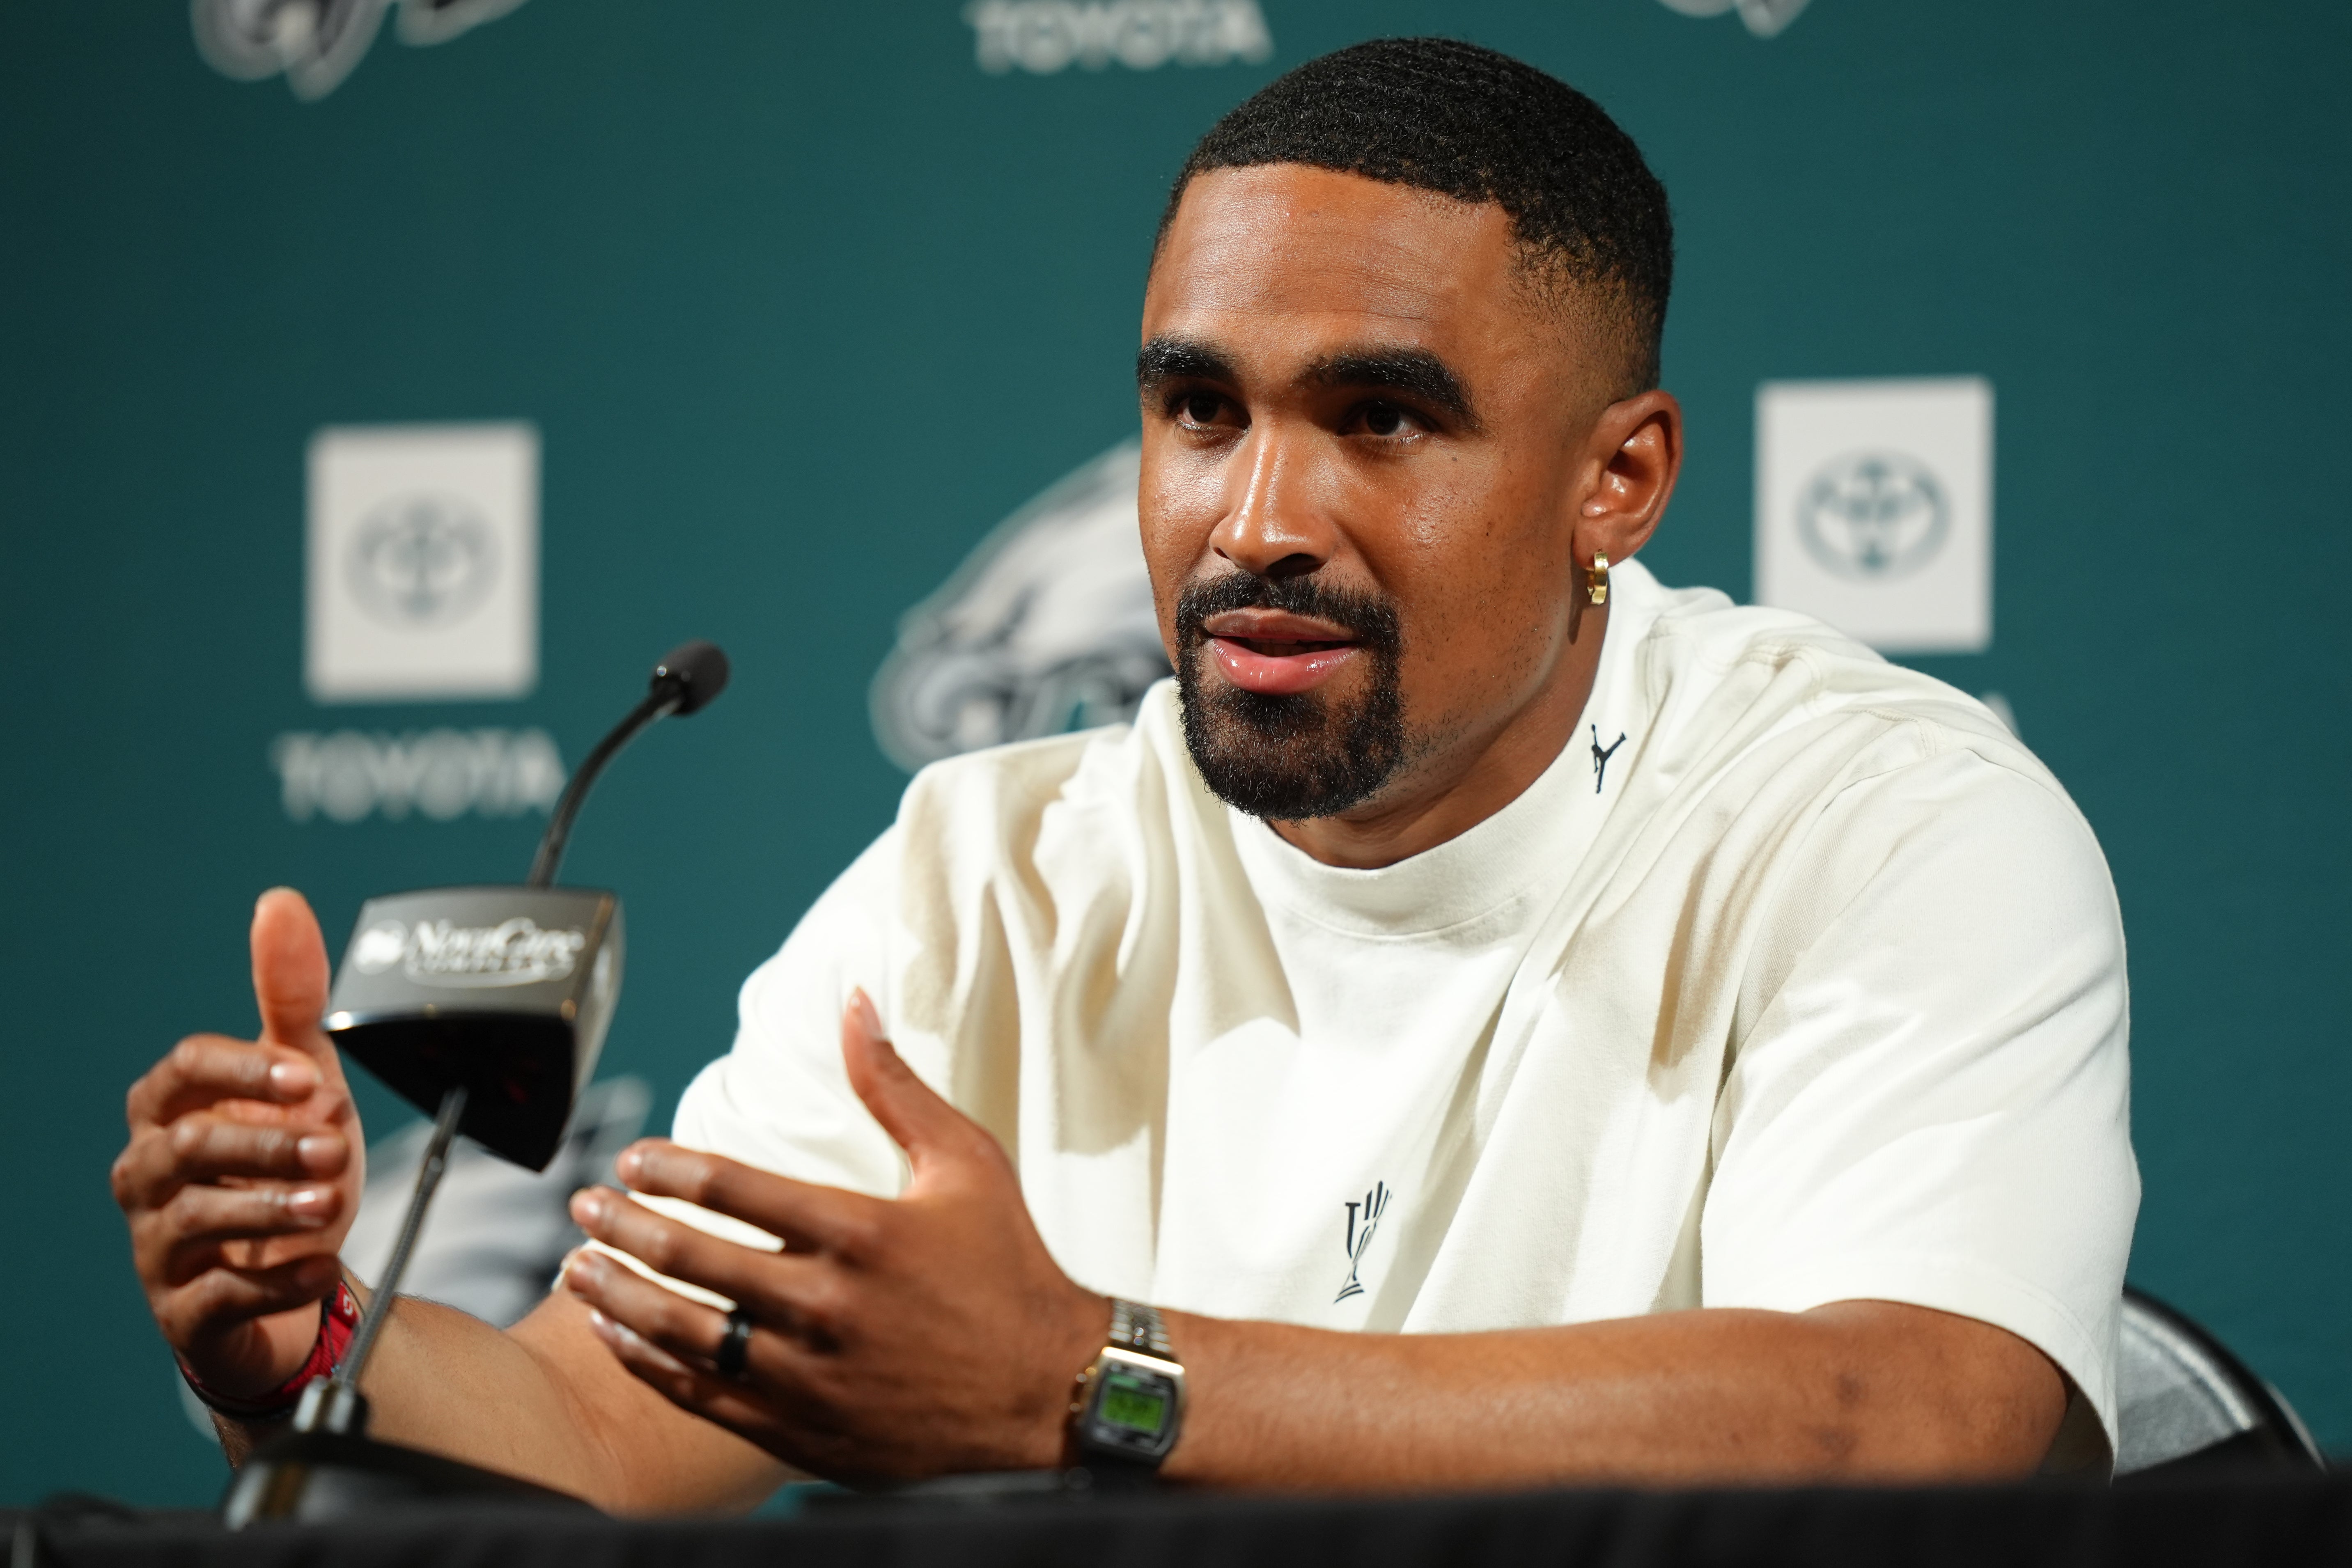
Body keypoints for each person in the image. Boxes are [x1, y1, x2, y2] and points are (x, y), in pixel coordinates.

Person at [112, 38, 2136, 1507]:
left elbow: (1923, 1417)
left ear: (1616, 476)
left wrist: (1096, 1377)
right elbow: (604, 1425)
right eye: (1197, 407)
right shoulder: (990, 872)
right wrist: (304, 1349)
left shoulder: (1883, 823)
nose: (1255, 514)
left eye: (1380, 420)